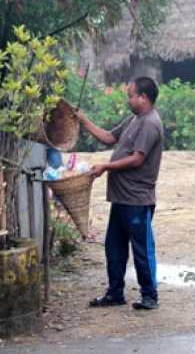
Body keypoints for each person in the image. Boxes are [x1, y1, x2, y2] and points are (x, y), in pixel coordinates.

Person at [75, 76, 164, 310]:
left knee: (141, 248)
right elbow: (108, 138)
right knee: (114, 247)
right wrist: (84, 121)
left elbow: (137, 159)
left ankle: (149, 295)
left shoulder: (150, 123)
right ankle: (115, 292)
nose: (128, 100)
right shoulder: (134, 119)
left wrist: (106, 167)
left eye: (131, 95)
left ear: (143, 98)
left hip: (137, 199)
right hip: (121, 197)